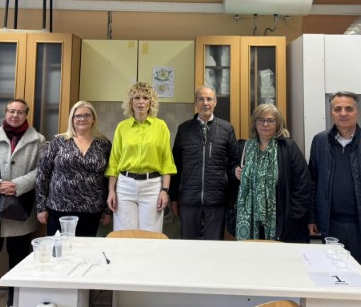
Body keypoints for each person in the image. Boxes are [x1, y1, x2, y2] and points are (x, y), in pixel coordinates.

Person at [307, 91, 361, 306]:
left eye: (348, 108)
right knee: (334, 281)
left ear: (357, 112)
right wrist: (312, 218)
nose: (343, 113)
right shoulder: (319, 141)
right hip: (331, 226)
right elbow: (312, 182)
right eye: (338, 109)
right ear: (331, 113)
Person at [0, 99, 46, 307]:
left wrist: (17, 185)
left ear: (26, 115)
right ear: (5, 113)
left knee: (19, 255)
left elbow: (41, 170)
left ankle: (15, 293)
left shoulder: (38, 140)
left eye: (20, 112)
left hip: (19, 207)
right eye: (11, 111)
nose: (15, 115)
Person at [105, 82, 176, 233]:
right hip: (125, 186)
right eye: (136, 98)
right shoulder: (122, 127)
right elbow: (114, 161)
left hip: (152, 186)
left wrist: (165, 190)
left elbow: (167, 162)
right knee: (125, 234)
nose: (141, 102)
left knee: (150, 235)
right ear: (131, 102)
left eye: (145, 98)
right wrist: (111, 191)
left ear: (151, 102)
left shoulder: (161, 126)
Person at [170, 85, 239, 239]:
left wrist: (232, 198)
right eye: (201, 99)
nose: (205, 103)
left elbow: (234, 164)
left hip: (217, 199)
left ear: (215, 102)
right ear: (196, 102)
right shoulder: (184, 129)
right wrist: (173, 198)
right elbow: (175, 166)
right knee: (188, 245)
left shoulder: (227, 129)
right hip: (188, 199)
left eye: (209, 99)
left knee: (214, 247)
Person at [235, 103, 311, 242]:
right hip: (251, 220)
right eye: (261, 120)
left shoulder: (288, 148)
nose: (265, 124)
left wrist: (292, 216)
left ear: (278, 123)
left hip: (281, 222)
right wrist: (235, 172)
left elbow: (303, 184)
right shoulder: (245, 147)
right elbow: (231, 173)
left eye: (270, 120)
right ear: (255, 123)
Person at [36, 100, 112, 236]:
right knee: (59, 248)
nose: (82, 119)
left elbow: (108, 177)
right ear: (72, 119)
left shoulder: (104, 144)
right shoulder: (58, 141)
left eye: (87, 115)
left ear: (93, 119)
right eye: (78, 116)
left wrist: (107, 210)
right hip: (59, 207)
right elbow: (42, 174)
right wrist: (41, 207)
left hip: (92, 209)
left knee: (85, 248)